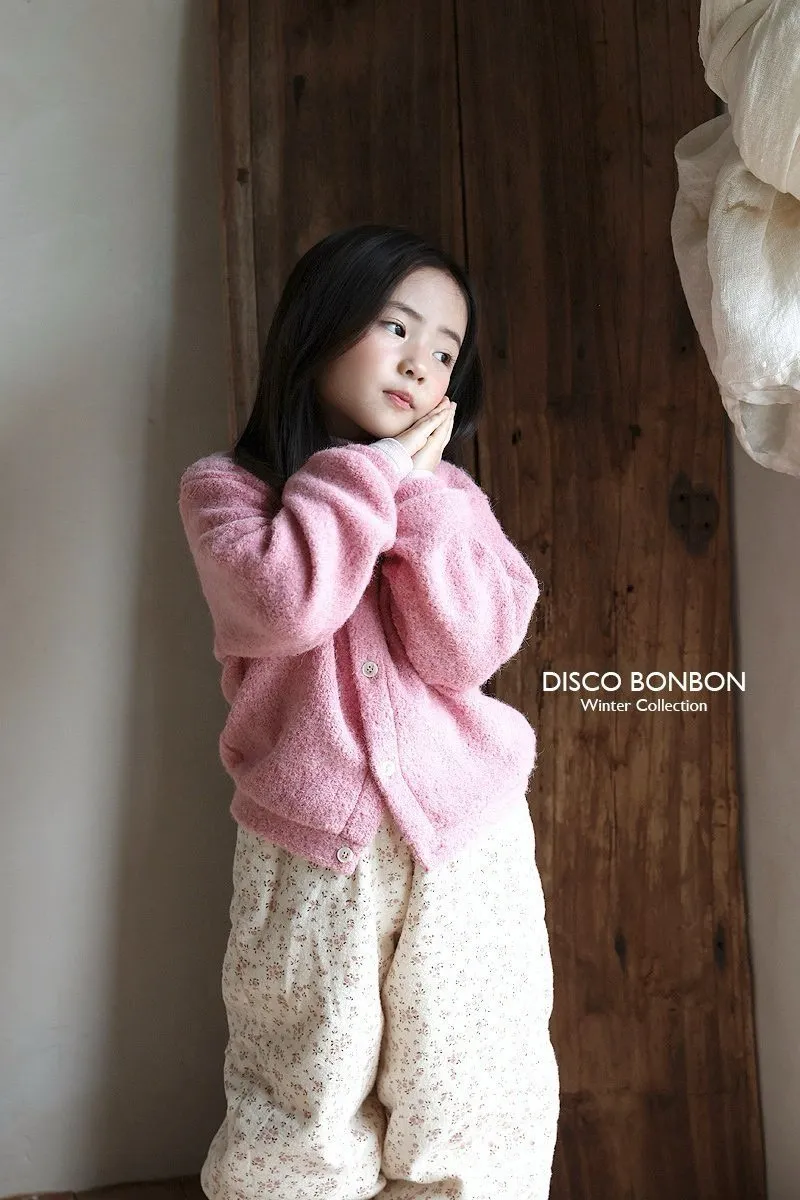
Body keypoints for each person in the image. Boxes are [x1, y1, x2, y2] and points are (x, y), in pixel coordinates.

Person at [178, 223, 559, 1200]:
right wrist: (372, 473)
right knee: (302, 1096)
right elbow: (285, 605)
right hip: (310, 852)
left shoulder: (450, 498)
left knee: (471, 1091)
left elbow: (466, 650)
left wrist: (419, 493)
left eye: (445, 351)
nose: (421, 362)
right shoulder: (229, 494)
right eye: (396, 327)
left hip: (464, 840)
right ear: (320, 325)